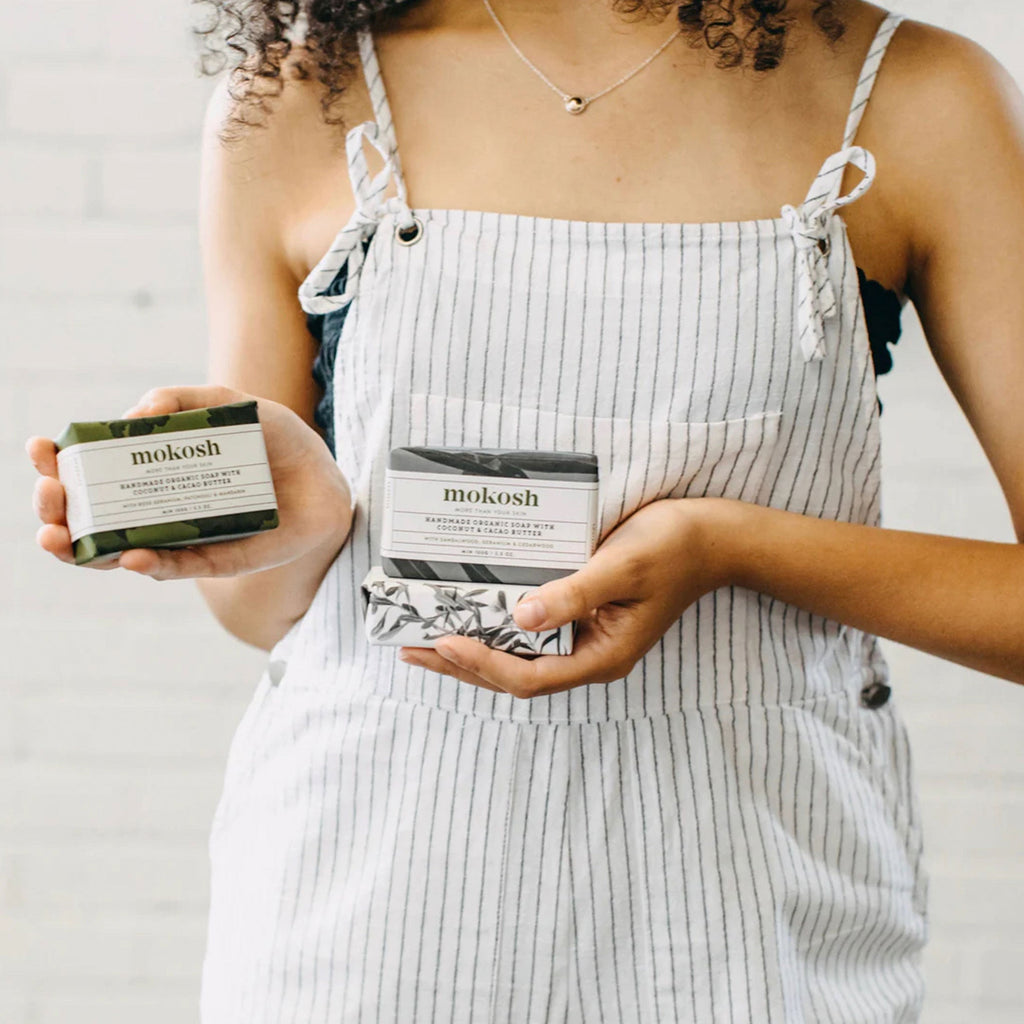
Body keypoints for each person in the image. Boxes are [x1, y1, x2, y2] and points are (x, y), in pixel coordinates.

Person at [25, 1, 1024, 1020]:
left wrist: (732, 546)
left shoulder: (910, 98)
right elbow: (257, 613)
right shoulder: (301, 90)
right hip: (355, 934)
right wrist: (314, 521)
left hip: (758, 933)